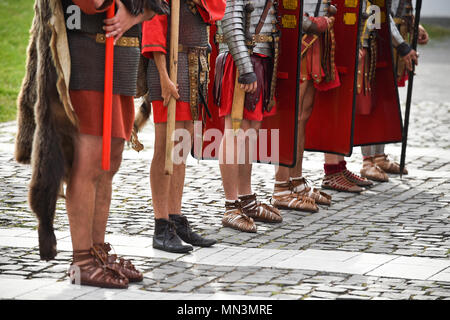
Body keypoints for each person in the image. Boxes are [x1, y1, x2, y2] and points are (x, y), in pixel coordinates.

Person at [16, 0, 168, 289]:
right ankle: (82, 260)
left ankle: (98, 251)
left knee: (109, 162)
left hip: (119, 62)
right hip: (86, 61)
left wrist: (132, 16)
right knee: (89, 163)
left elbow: (157, 6)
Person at [140, 0, 226, 252]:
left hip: (194, 70)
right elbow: (153, 28)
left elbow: (215, 10)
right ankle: (161, 224)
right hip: (170, 71)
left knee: (180, 150)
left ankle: (175, 218)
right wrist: (164, 77)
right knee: (165, 148)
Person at [321, 0, 420, 190]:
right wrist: (350, 41)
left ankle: (339, 169)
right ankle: (332, 171)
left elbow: (376, 11)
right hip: (343, 43)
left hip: (361, 44)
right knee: (337, 107)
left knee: (353, 107)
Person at [212, 0, 283, 233]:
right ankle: (231, 205)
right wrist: (245, 67)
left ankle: (245, 197)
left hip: (258, 60)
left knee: (250, 133)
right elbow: (231, 22)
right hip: (241, 62)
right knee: (236, 133)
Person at [272, 1, 340, 211]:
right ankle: (281, 185)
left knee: (302, 116)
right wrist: (315, 24)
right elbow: (288, 10)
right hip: (295, 40)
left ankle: (296, 179)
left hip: (311, 42)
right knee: (291, 117)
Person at [359, 0, 429, 181]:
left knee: (384, 97)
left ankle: (379, 157)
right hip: (372, 37)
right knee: (369, 99)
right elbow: (377, 11)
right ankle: (367, 161)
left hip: (388, 37)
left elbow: (393, 8)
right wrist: (402, 44)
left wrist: (413, 24)